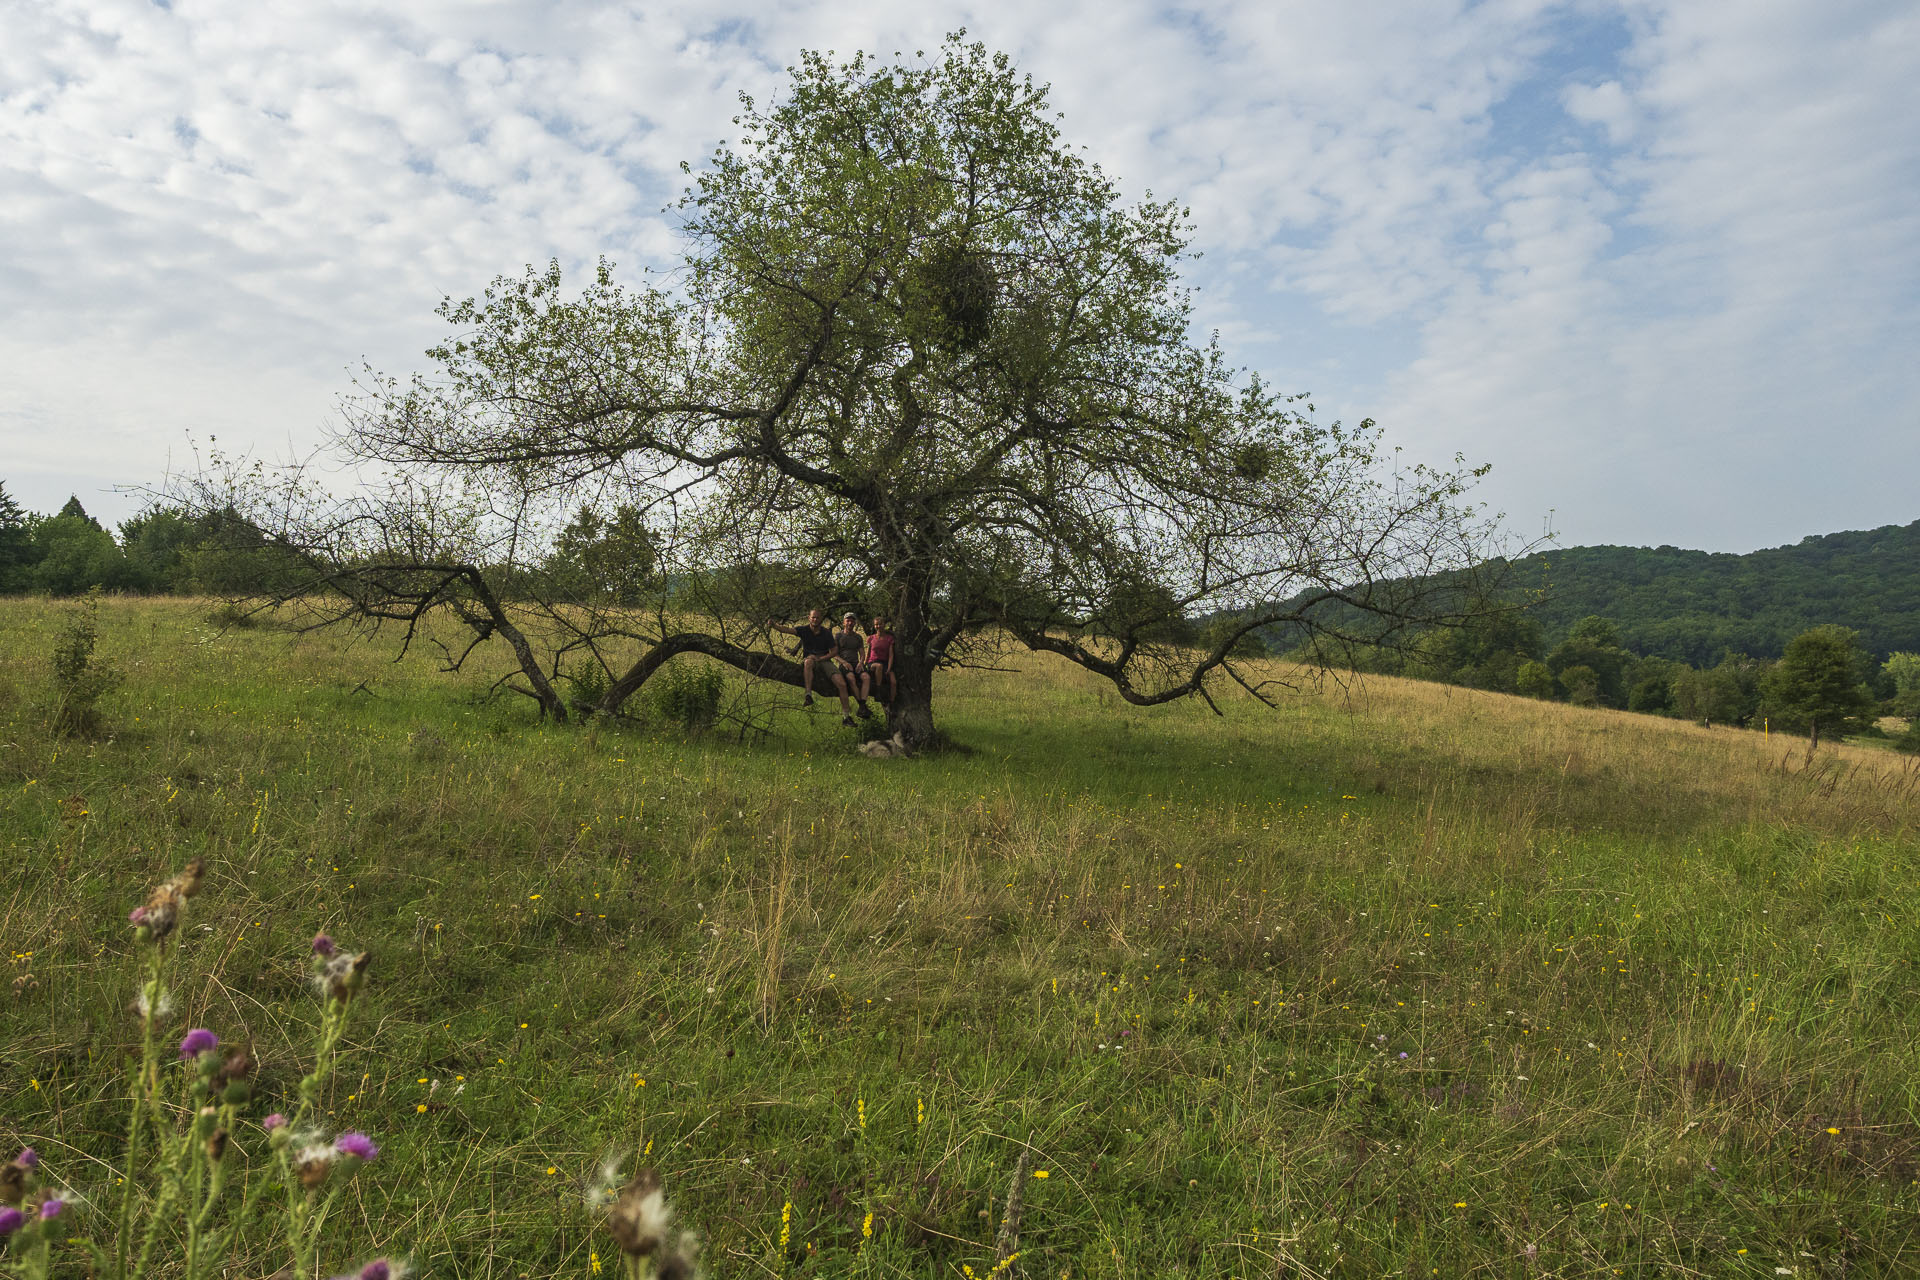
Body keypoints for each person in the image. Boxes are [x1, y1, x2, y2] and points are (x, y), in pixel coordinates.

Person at [767, 609, 856, 724]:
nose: (815, 620)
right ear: (809, 618)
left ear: (821, 619)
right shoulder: (804, 630)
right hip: (810, 660)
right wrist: (774, 625)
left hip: (824, 660)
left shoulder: (826, 633)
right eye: (813, 617)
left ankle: (846, 717)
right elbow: (787, 630)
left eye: (817, 617)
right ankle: (808, 695)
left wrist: (820, 658)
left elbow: (834, 651)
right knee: (808, 662)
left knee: (842, 683)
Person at [834, 612, 875, 719]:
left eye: (852, 621)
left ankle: (862, 706)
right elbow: (834, 654)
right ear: (844, 622)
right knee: (851, 678)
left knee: (866, 677)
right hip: (844, 664)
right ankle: (862, 707)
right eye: (848, 620)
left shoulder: (858, 637)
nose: (850, 623)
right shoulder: (838, 636)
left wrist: (861, 663)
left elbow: (862, 652)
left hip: (856, 663)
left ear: (855, 623)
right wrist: (844, 662)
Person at [865, 615, 897, 704]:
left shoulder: (889, 638)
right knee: (879, 666)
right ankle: (878, 691)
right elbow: (868, 653)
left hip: (885, 663)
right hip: (873, 663)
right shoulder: (871, 638)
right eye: (876, 624)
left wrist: (889, 667)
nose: (878, 626)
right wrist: (864, 664)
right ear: (874, 626)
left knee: (893, 682)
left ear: (884, 624)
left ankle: (892, 702)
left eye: (880, 624)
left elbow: (891, 655)